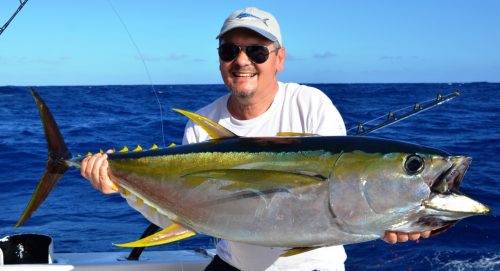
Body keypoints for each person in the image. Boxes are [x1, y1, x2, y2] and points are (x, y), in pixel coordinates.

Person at [81, 7, 431, 271]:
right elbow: (183, 214)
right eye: (229, 51)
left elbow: (345, 194)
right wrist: (120, 186)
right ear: (220, 60)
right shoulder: (202, 126)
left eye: (257, 52)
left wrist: (391, 218)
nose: (241, 60)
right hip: (232, 266)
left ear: (279, 59)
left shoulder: (311, 104)